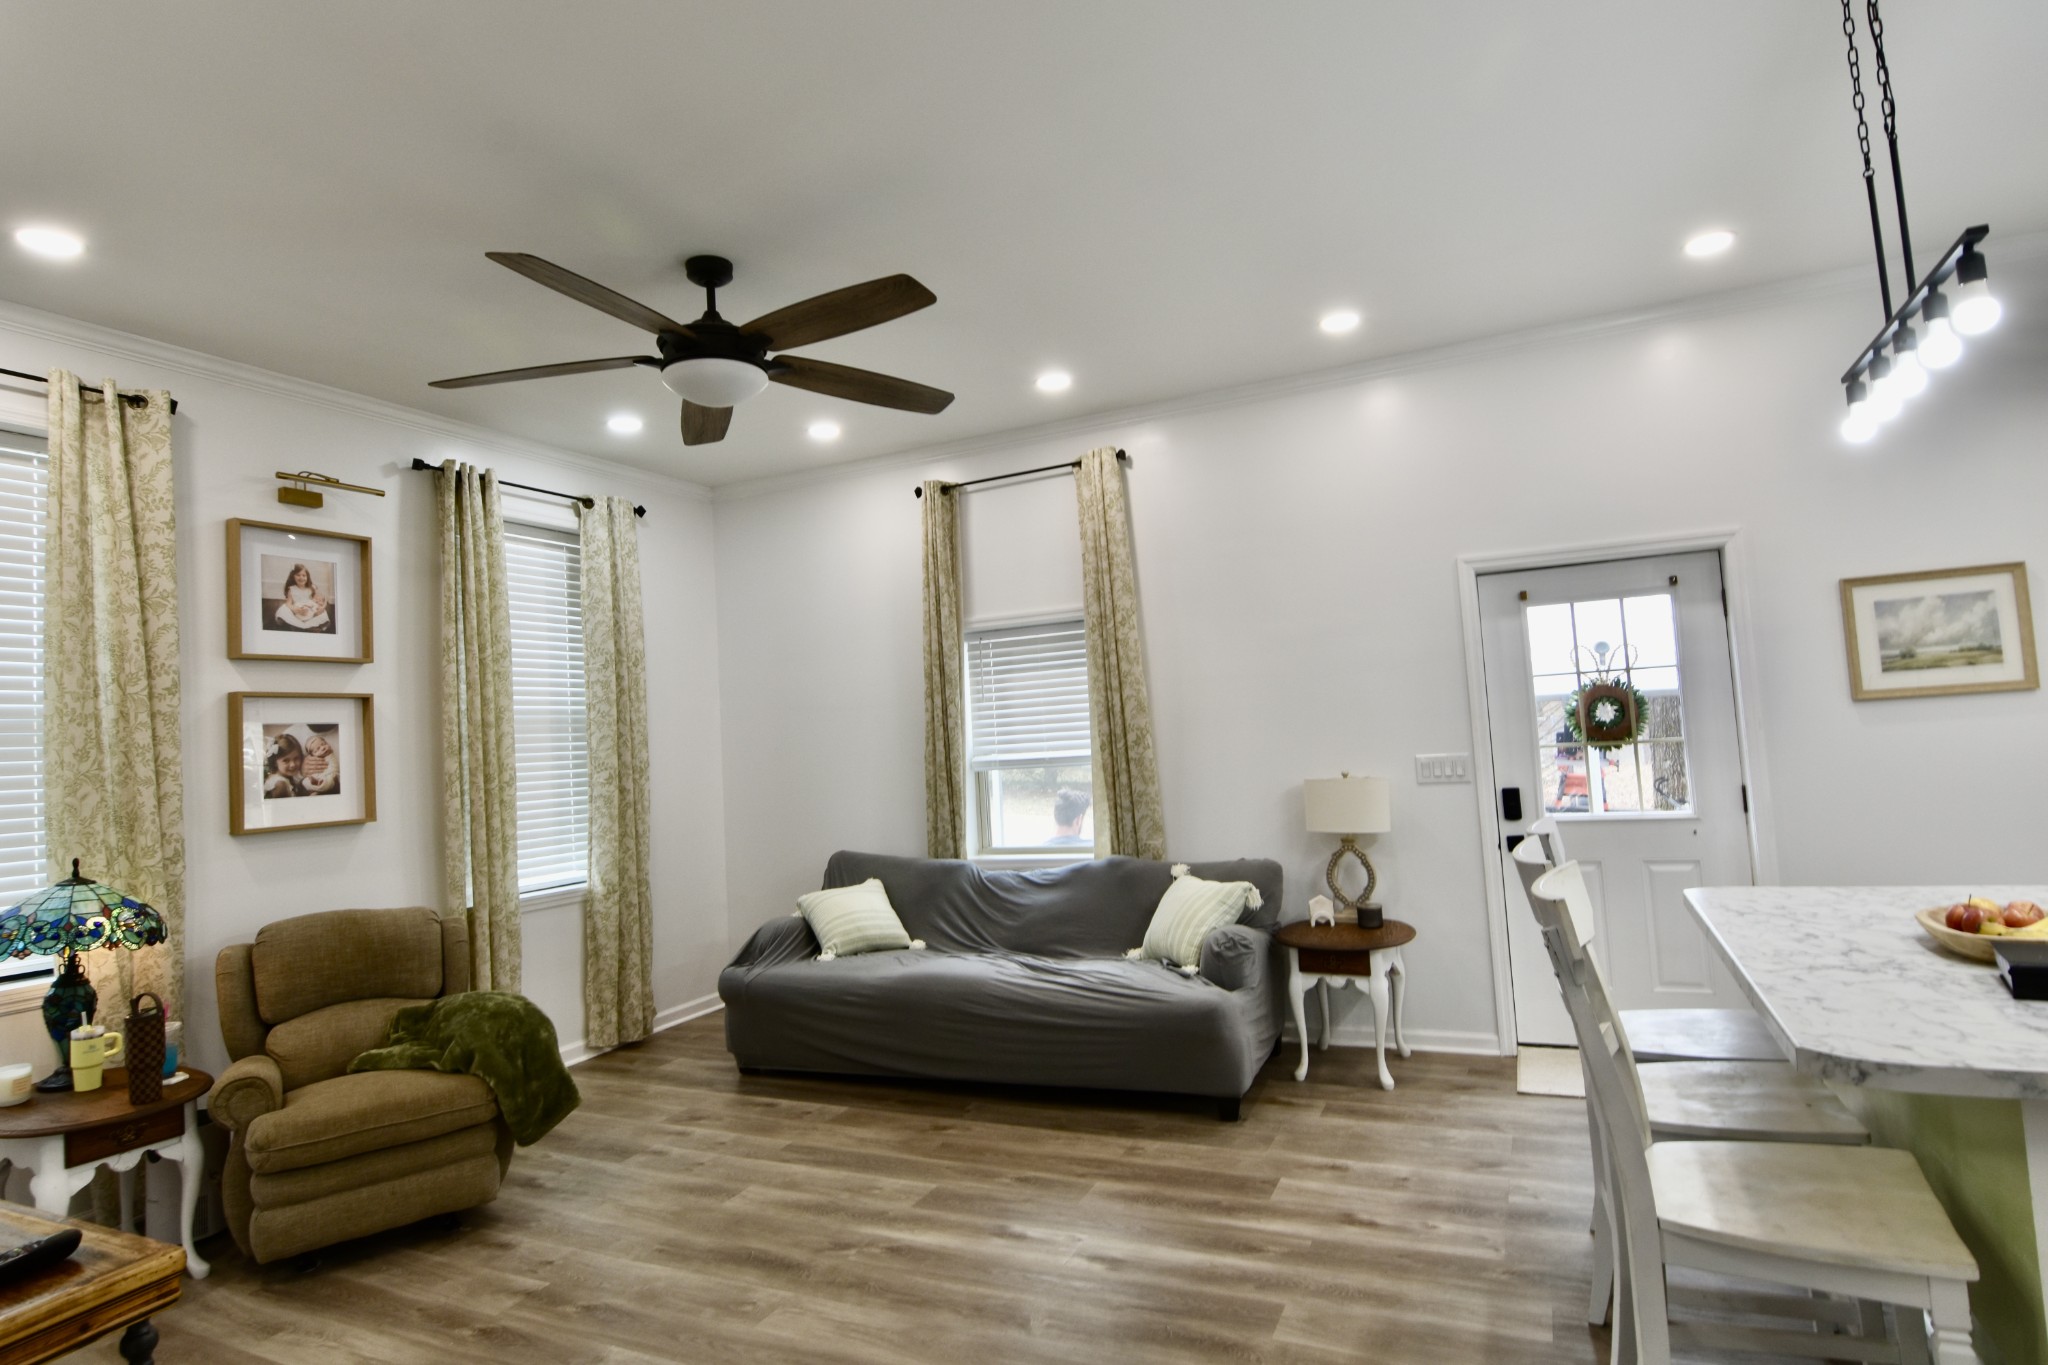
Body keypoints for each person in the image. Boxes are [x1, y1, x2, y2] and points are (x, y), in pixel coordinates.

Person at [274, 563, 331, 631]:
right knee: (283, 609)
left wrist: (323, 607)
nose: (301, 578)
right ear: (293, 576)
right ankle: (297, 625)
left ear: (307, 577)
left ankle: (308, 626)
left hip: (311, 612)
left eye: (304, 575)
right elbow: (288, 603)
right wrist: (295, 609)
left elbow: (323, 598)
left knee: (323, 612)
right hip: (297, 612)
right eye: (298, 575)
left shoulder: (312, 587)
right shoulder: (292, 589)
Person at [264, 732, 308, 798]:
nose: (292, 764)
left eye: (296, 758)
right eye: (286, 761)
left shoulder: (286, 778)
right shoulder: (280, 785)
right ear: (275, 762)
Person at [299, 728, 340, 796]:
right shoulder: (314, 759)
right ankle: (315, 786)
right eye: (317, 749)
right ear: (312, 755)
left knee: (328, 782)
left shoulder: (330, 755)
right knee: (305, 782)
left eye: (323, 744)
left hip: (330, 775)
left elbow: (333, 768)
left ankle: (319, 789)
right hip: (318, 776)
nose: (323, 748)